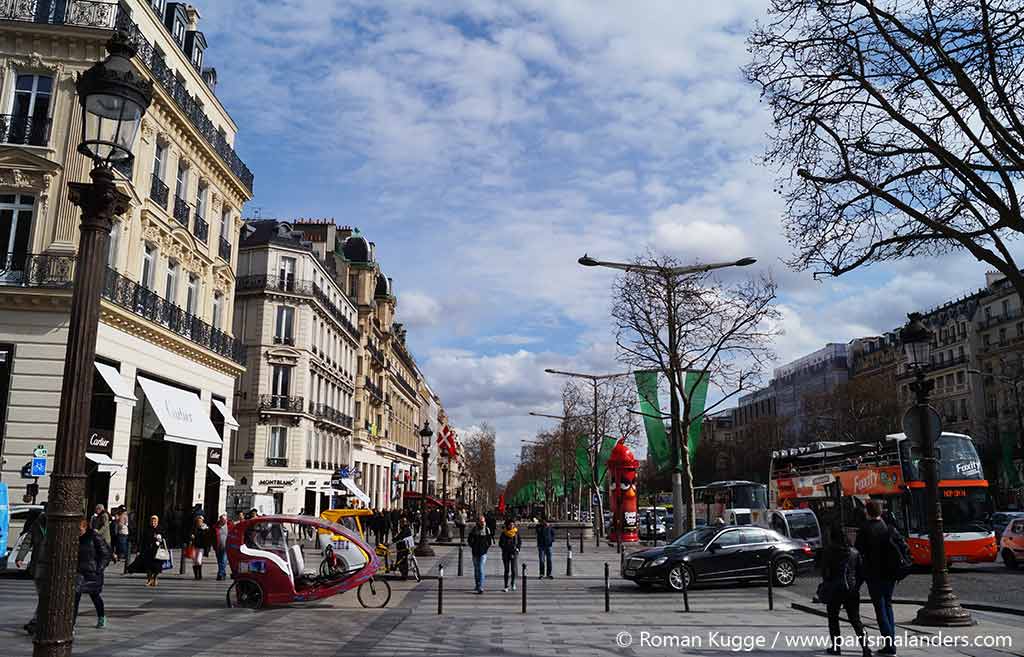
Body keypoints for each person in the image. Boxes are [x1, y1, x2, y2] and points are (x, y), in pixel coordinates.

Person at [855, 500, 900, 655]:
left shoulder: (865, 529)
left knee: (880, 609)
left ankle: (889, 644)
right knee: (888, 606)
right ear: (880, 512)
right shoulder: (886, 526)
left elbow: (858, 552)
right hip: (890, 573)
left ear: (867, 512)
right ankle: (891, 640)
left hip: (874, 574)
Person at [821, 524, 870, 656]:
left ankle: (836, 647)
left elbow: (825, 572)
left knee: (833, 618)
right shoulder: (854, 552)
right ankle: (866, 648)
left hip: (834, 588)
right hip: (851, 589)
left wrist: (827, 582)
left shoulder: (829, 551)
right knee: (855, 619)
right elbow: (861, 573)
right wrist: (855, 585)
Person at [76, 517, 111, 628]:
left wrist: (99, 568)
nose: (78, 532)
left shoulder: (94, 536)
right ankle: (71, 624)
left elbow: (105, 554)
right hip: (79, 572)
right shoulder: (73, 538)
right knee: (75, 596)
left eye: (79, 530)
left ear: (85, 527)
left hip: (93, 572)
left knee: (95, 595)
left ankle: (101, 616)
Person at [17, 505, 47, 636]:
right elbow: (28, 540)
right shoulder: (37, 524)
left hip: (53, 566)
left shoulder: (58, 524)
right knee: (43, 595)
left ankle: (36, 621)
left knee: (45, 596)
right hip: (37, 565)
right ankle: (37, 621)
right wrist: (20, 557)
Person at [467, 515, 492, 594]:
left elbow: (489, 541)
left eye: (483, 521)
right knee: (476, 569)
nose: (482, 523)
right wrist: (473, 546)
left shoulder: (487, 530)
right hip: (475, 552)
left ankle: (480, 586)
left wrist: (486, 548)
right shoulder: (474, 529)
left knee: (481, 568)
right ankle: (477, 584)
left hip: (483, 552)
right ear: (478, 522)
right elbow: (469, 539)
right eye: (481, 521)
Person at [142, 515, 166, 587]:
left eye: (155, 521)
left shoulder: (160, 529)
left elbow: (165, 538)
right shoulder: (147, 529)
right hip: (149, 550)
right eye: (152, 521)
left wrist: (160, 539)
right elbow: (143, 540)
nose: (153, 522)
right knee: (148, 566)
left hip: (158, 551)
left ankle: (155, 578)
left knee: (157, 566)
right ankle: (149, 580)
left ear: (157, 522)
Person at [499, 519, 521, 592]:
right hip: (506, 553)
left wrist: (517, 548)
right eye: (510, 524)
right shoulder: (504, 533)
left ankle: (513, 583)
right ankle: (506, 585)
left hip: (514, 553)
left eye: (512, 524)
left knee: (513, 570)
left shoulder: (516, 533)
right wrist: (505, 547)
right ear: (507, 525)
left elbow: (519, 542)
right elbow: (500, 543)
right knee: (506, 570)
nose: (511, 526)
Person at [188, 515, 211, 580]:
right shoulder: (194, 528)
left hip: (201, 547)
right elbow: (190, 534)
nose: (199, 522)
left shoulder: (205, 528)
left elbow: (208, 537)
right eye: (198, 521)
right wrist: (191, 536)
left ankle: (200, 574)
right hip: (194, 546)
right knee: (194, 561)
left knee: (198, 560)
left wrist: (206, 530)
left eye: (200, 521)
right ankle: (196, 576)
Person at [214, 514, 231, 581]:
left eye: (224, 520)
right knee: (219, 561)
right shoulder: (216, 527)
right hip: (218, 547)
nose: (223, 521)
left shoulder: (229, 526)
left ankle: (220, 574)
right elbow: (212, 536)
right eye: (222, 519)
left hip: (226, 547)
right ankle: (223, 573)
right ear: (220, 519)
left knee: (223, 561)